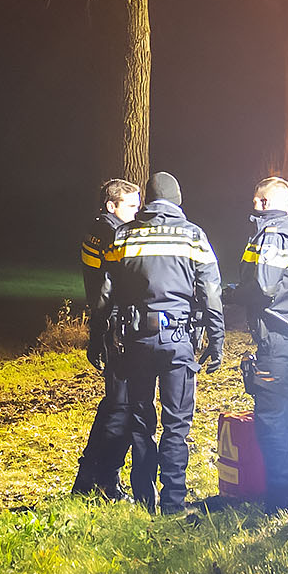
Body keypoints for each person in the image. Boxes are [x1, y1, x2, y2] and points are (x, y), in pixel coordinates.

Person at [93, 171, 223, 513]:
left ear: (148, 201)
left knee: (140, 423)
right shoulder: (193, 236)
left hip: (136, 341)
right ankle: (173, 503)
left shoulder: (124, 236)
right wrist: (217, 337)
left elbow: (105, 294)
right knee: (176, 425)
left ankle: (144, 499)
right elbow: (211, 291)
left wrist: (97, 338)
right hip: (178, 340)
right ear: (178, 200)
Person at [235, 175, 288, 511]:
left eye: (257, 200)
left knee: (269, 420)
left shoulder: (272, 234)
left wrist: (237, 295)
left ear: (266, 202)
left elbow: (265, 285)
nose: (253, 205)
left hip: (276, 341)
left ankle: (281, 499)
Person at [72, 177, 141, 497]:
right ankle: (105, 481)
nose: (137, 212)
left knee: (113, 404)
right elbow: (115, 286)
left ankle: (88, 479)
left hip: (107, 325)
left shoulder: (95, 229)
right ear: (111, 205)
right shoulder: (113, 234)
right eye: (131, 206)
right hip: (118, 329)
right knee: (122, 406)